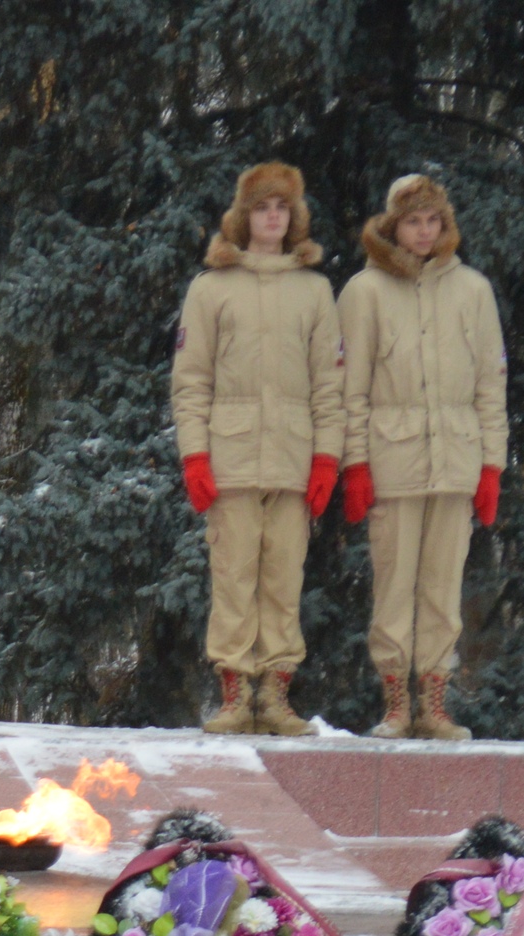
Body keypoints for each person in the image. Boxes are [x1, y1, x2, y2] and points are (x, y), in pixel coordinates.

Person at [171, 161, 344, 738]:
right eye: (263, 207)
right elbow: (191, 380)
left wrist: (327, 458)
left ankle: (275, 696)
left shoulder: (316, 290)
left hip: (294, 461)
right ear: (244, 217)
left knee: (283, 579)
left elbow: (330, 383)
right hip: (232, 458)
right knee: (235, 575)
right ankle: (234, 695)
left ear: (294, 218)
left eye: (282, 208)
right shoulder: (212, 287)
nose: (273, 217)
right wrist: (195, 455)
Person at [339, 174, 509, 740]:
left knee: (442, 589)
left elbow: (491, 384)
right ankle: (395, 702)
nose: (424, 231)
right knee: (393, 586)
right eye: (413, 221)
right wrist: (355, 464)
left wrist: (491, 467)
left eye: (433, 221)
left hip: (457, 463)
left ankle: (434, 703)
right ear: (393, 226)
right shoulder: (364, 293)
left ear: (445, 226)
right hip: (393, 463)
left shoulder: (473, 291)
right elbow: (351, 390)